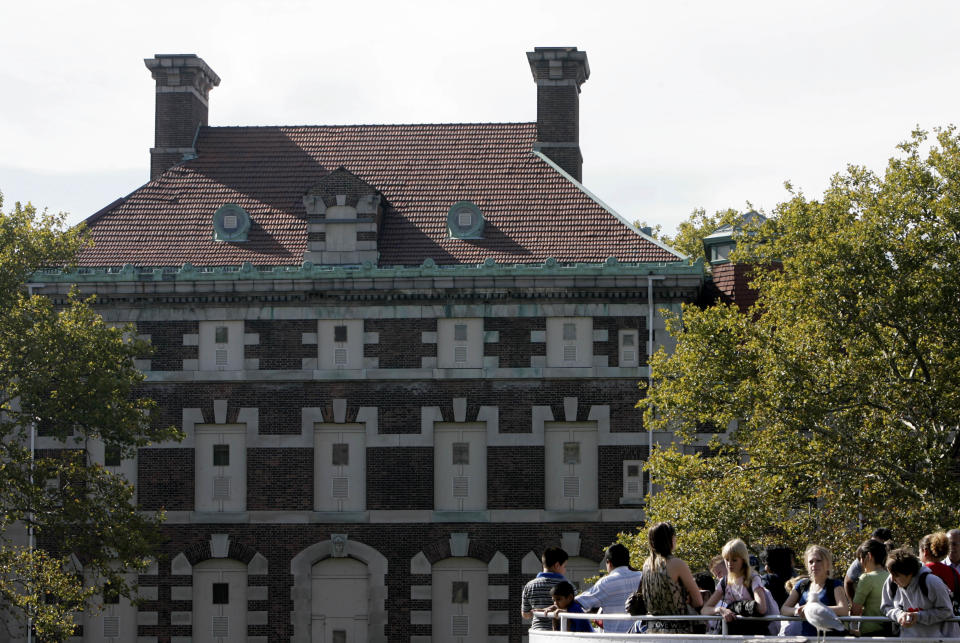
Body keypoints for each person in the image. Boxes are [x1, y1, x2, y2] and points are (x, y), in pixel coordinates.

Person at [639, 522, 704, 633]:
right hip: (678, 629)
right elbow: (698, 601)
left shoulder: (647, 564)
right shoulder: (677, 564)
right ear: (670, 539)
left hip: (653, 629)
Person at [881, 547, 960, 638]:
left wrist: (918, 616)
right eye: (891, 574)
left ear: (909, 573)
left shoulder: (932, 582)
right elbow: (886, 607)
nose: (892, 579)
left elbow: (947, 611)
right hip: (908, 639)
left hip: (939, 638)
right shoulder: (891, 582)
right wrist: (899, 615)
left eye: (897, 576)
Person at [702, 538, 771, 635]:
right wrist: (720, 610)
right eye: (726, 560)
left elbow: (761, 608)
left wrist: (735, 607)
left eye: (734, 560)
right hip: (733, 634)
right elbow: (705, 610)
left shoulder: (753, 578)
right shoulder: (724, 582)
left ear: (743, 560)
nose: (729, 564)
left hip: (754, 633)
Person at [780, 544, 849, 638]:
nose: (814, 565)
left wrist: (812, 609)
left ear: (827, 563)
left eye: (818, 561)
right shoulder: (802, 585)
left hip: (831, 639)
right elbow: (784, 609)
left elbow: (844, 610)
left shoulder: (835, 584)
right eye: (811, 562)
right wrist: (798, 611)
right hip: (807, 638)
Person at [575, 542, 643, 633]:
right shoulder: (642, 576)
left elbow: (579, 601)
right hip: (642, 636)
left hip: (615, 638)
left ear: (608, 562)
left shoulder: (606, 582)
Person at [521, 546, 568, 631]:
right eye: (564, 566)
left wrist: (537, 612)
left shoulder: (530, 585)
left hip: (538, 633)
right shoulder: (567, 586)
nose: (565, 570)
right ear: (557, 565)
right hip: (560, 633)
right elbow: (574, 610)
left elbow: (525, 614)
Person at [850, 538, 891, 636]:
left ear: (869, 556)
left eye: (860, 558)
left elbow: (855, 609)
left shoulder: (867, 578)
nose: (860, 562)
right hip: (889, 629)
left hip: (870, 631)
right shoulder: (890, 576)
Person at [845, 528, 892, 602]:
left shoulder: (893, 561)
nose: (873, 546)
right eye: (872, 542)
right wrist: (853, 603)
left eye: (877, 544)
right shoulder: (862, 561)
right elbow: (848, 582)